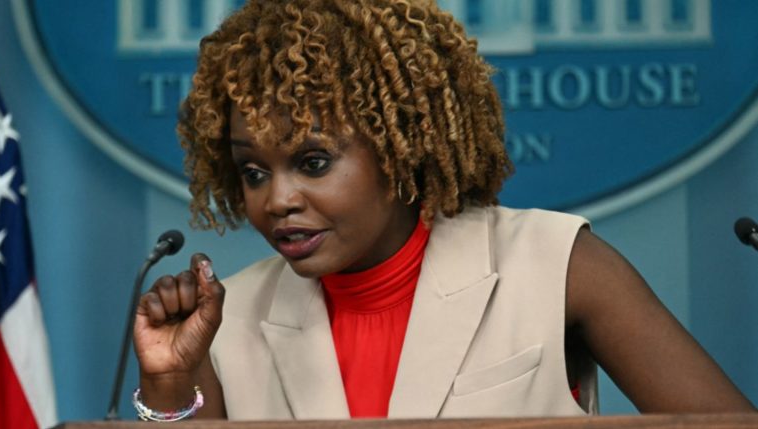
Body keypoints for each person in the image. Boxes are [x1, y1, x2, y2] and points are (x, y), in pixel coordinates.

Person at [131, 0, 756, 421]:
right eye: (253, 172)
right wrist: (167, 379)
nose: (278, 199)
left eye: (314, 162)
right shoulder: (226, 319)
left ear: (401, 145)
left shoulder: (558, 263)